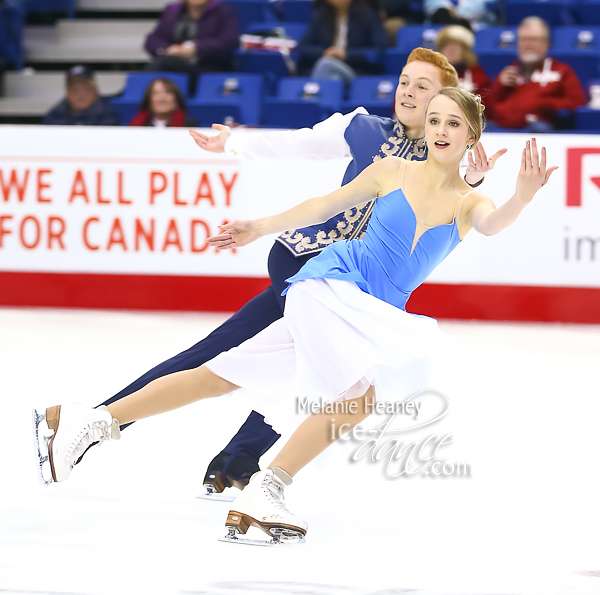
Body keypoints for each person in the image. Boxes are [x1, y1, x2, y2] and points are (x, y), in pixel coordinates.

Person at [35, 87, 556, 543]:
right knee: (357, 400)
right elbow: (323, 204)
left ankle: (89, 421)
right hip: (329, 286)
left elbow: (494, 224)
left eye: (453, 122)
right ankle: (267, 489)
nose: (440, 128)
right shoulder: (393, 169)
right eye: (435, 119)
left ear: (472, 135)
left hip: (370, 311)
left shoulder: (469, 202)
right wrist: (259, 226)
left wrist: (523, 197)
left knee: (218, 377)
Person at [94, 48, 505, 497]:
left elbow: (460, 204)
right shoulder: (363, 128)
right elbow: (297, 144)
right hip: (309, 264)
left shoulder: (443, 161)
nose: (408, 91)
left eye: (422, 87)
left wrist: (477, 181)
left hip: (351, 286)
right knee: (310, 371)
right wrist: (234, 143)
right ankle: (231, 460)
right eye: (405, 81)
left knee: (235, 355)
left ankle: (114, 426)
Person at [486, 17, 585, 132]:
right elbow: (487, 109)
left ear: (546, 43)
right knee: (483, 127)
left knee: (539, 129)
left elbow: (576, 103)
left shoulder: (562, 71)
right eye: (523, 40)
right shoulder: (509, 72)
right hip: (504, 128)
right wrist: (499, 86)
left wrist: (541, 103)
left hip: (540, 129)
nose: (528, 44)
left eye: (533, 39)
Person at [144, 0, 239, 91]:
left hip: (206, 68)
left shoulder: (223, 11)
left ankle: (141, 92)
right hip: (173, 64)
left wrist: (195, 48)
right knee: (166, 63)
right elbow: (152, 40)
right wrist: (167, 50)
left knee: (164, 63)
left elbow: (229, 42)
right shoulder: (173, 11)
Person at [296, 0, 388, 89]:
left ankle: (313, 98)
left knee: (325, 64)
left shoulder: (368, 16)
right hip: (328, 69)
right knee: (334, 78)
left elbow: (377, 50)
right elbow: (302, 47)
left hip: (355, 70)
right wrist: (325, 52)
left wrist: (346, 54)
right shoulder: (320, 16)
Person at [43, 65, 120, 126]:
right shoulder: (56, 115)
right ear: (67, 93)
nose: (81, 94)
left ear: (95, 91)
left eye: (86, 88)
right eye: (75, 89)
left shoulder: (108, 115)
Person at [435, 25, 491, 101]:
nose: (451, 49)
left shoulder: (477, 75)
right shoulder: (432, 74)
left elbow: (486, 104)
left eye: (456, 46)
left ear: (466, 52)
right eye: (446, 46)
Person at [129, 78, 198, 127]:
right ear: (149, 99)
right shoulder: (138, 124)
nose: (162, 98)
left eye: (167, 92)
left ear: (176, 99)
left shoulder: (188, 124)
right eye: (156, 93)